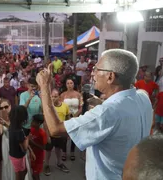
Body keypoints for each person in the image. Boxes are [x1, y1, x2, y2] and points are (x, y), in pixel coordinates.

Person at [36, 49, 153, 179]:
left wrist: (44, 87)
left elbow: (55, 128)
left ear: (110, 77)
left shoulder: (106, 113)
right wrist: (103, 102)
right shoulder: (143, 98)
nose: (93, 73)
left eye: (97, 69)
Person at [44, 89, 70, 176]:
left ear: (59, 97)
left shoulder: (65, 106)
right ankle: (47, 165)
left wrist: (67, 132)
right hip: (50, 133)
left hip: (61, 133)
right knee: (48, 150)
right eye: (52, 96)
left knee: (58, 149)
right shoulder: (48, 108)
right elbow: (45, 122)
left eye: (55, 96)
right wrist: (47, 135)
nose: (54, 98)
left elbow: (67, 119)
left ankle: (59, 163)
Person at [9, 105, 34, 180]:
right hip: (18, 157)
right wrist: (28, 138)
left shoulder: (12, 126)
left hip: (13, 154)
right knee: (19, 175)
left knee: (23, 171)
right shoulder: (19, 131)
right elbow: (24, 148)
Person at [0, 99, 15, 180]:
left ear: (10, 106)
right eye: (2, 108)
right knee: (7, 163)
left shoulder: (15, 116)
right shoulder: (0, 118)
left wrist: (5, 123)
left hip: (15, 142)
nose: (4, 109)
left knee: (16, 164)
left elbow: (16, 131)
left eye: (6, 107)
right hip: (6, 142)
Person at [30, 114, 47, 180]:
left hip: (38, 157)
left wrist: (32, 142)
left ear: (39, 123)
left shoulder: (42, 133)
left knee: (36, 174)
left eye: (33, 121)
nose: (31, 122)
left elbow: (44, 147)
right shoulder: (31, 129)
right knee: (33, 173)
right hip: (32, 155)